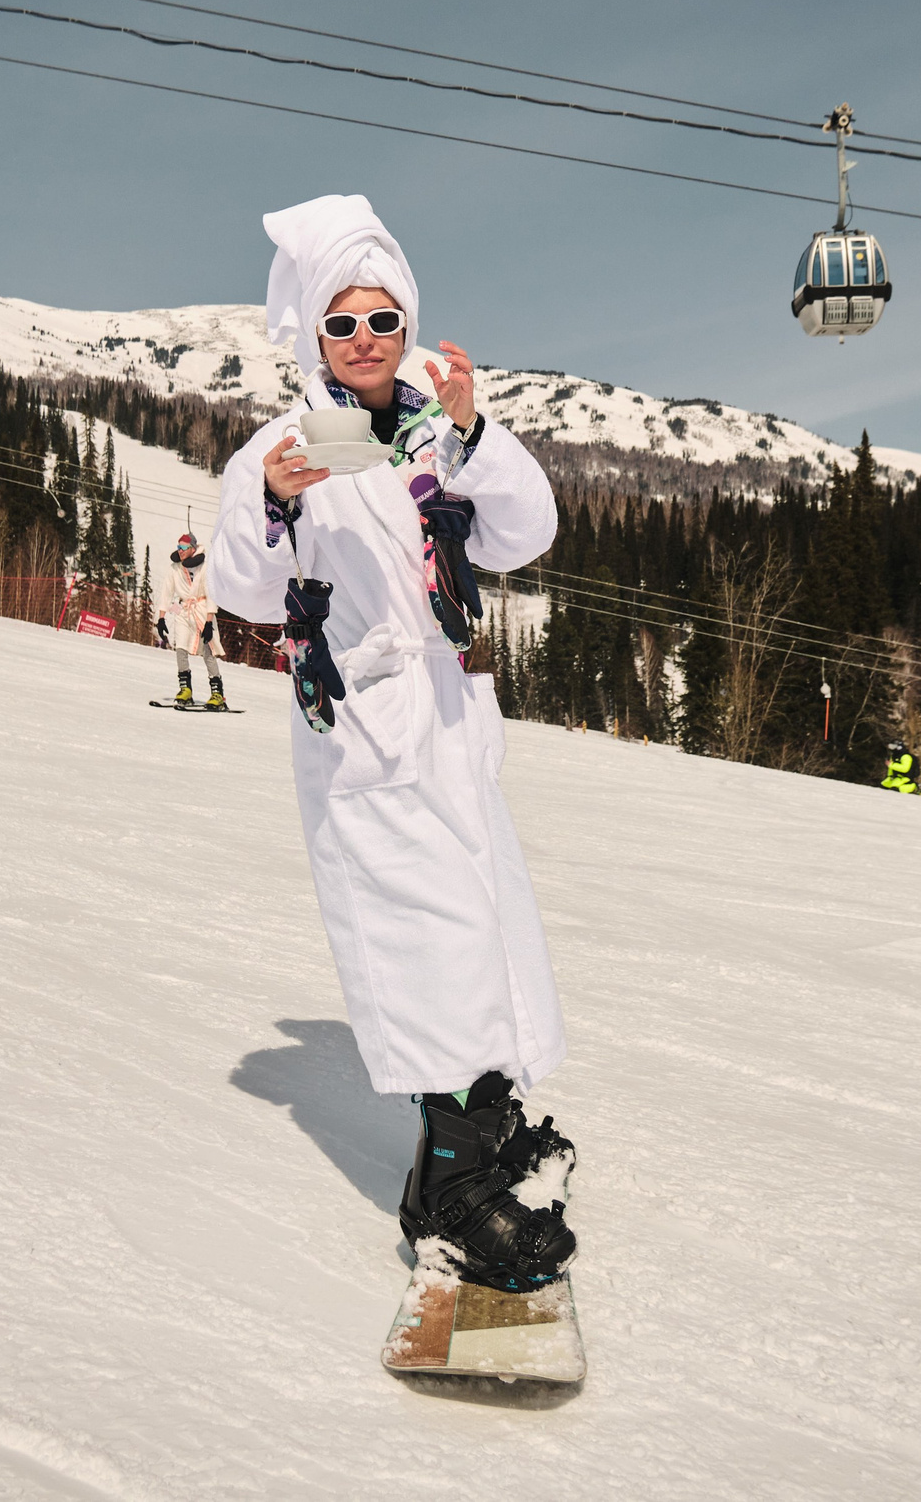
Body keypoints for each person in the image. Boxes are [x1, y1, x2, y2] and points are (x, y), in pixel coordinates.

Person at [209, 194, 576, 1291]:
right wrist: (271, 510)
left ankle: (489, 1120)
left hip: (452, 719)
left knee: (483, 924)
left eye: (382, 320)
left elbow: (524, 536)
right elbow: (246, 592)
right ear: (310, 336)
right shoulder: (280, 448)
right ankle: (448, 1189)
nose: (365, 342)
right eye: (341, 324)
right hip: (362, 726)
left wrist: (471, 436)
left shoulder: (431, 428)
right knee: (425, 942)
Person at [155, 531, 226, 710]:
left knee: (208, 651)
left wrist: (209, 621)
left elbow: (211, 593)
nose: (180, 551)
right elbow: (166, 591)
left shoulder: (205, 567)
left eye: (184, 547)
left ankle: (217, 693)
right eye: (178, 547)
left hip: (202, 611)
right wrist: (161, 618)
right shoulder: (175, 568)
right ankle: (185, 690)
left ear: (193, 549)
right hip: (185, 612)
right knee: (180, 648)